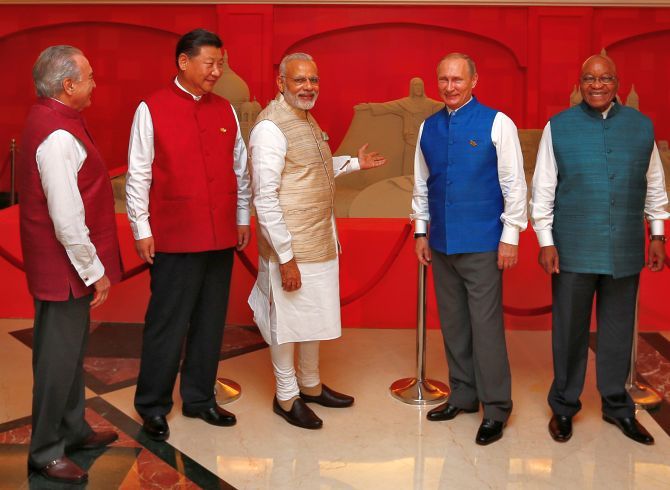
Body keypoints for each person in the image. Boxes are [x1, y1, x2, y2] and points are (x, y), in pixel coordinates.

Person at [530, 54, 668, 445]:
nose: (596, 85)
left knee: (618, 332)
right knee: (569, 332)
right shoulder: (558, 127)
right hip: (572, 248)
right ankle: (563, 407)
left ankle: (617, 406)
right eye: (589, 78)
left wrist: (657, 235)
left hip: (625, 246)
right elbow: (543, 189)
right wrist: (546, 241)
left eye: (604, 78)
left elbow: (654, 185)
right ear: (579, 83)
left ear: (616, 83)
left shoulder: (642, 128)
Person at [248, 52, 386, 429]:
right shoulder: (270, 128)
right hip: (290, 247)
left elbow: (313, 171)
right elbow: (266, 197)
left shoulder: (304, 119)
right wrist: (286, 257)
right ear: (281, 83)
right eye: (299, 80)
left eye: (314, 80)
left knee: (311, 319)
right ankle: (286, 395)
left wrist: (354, 164)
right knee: (288, 322)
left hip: (320, 240)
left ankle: (310, 386)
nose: (308, 87)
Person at [126, 29, 251, 441]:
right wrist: (141, 228)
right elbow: (139, 173)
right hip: (174, 237)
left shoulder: (226, 111)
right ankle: (153, 405)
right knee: (167, 322)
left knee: (211, 322)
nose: (217, 71)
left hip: (219, 236)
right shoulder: (152, 107)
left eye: (221, 64)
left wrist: (242, 217)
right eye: (209, 63)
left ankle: (199, 399)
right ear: (183, 62)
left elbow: (240, 169)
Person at [411, 53, 527, 445]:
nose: (449, 86)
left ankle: (496, 408)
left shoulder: (498, 122)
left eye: (457, 79)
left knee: (486, 328)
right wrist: (421, 233)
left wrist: (510, 236)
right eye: (443, 79)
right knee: (455, 324)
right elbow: (421, 184)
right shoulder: (428, 126)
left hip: (483, 244)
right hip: (441, 243)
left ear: (474, 80)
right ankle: (462, 394)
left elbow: (514, 184)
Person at [19, 45, 122, 484]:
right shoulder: (57, 135)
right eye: (90, 77)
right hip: (64, 270)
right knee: (57, 361)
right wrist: (93, 270)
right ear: (68, 85)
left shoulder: (50, 118)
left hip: (62, 269)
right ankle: (45, 450)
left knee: (71, 354)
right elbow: (66, 217)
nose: (95, 83)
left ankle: (74, 429)